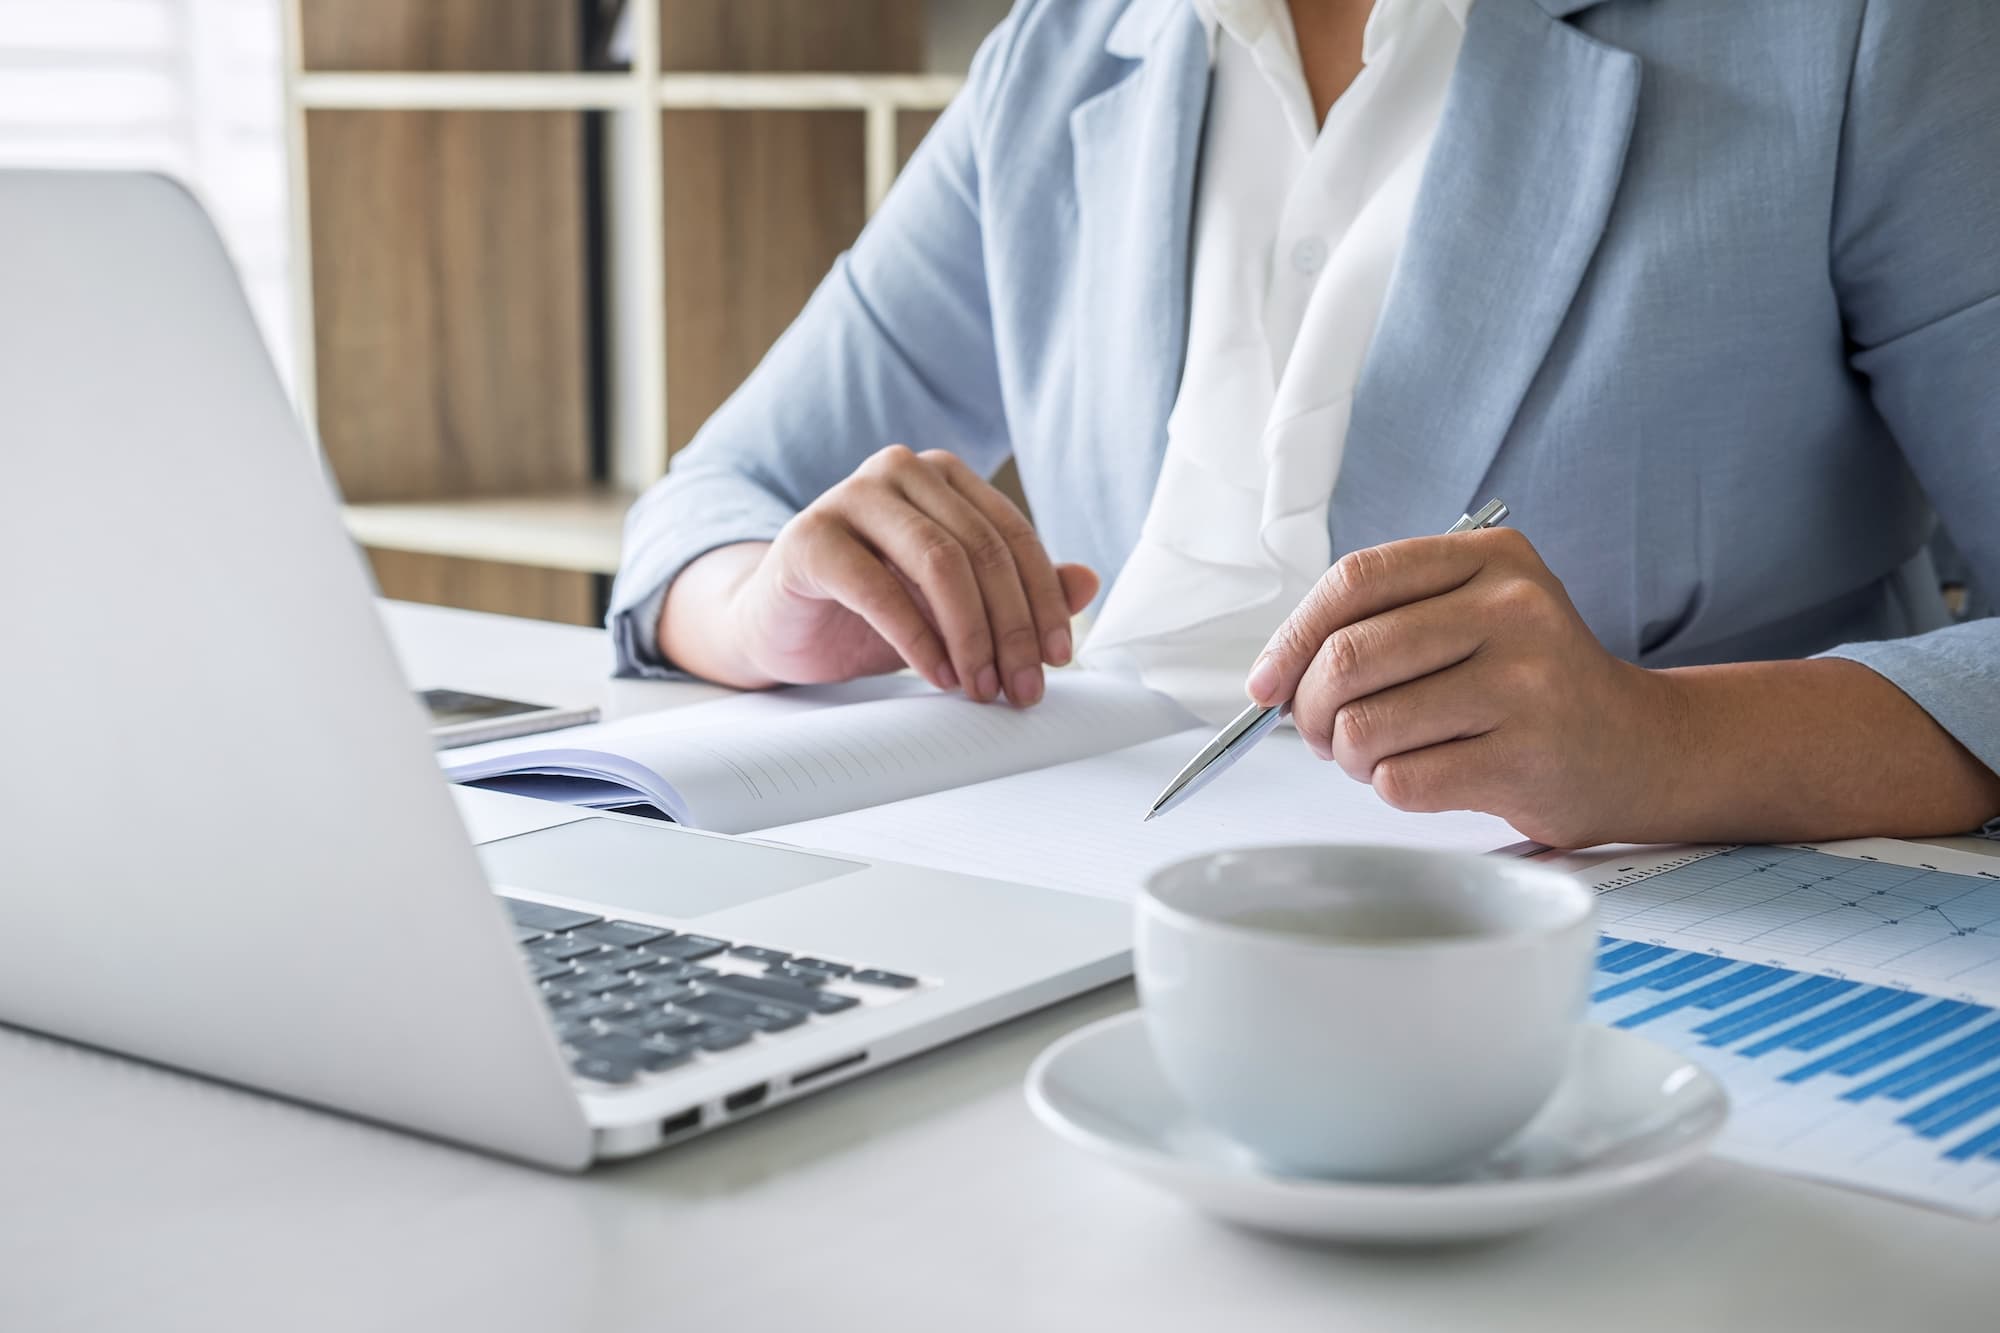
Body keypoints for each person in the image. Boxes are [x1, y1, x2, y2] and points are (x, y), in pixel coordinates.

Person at [608, 0, 2000, 849]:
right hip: (1095, 904)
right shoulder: (1063, 47)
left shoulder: (1862, 27)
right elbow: (709, 503)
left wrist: (1659, 746)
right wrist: (769, 606)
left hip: (1633, 950)